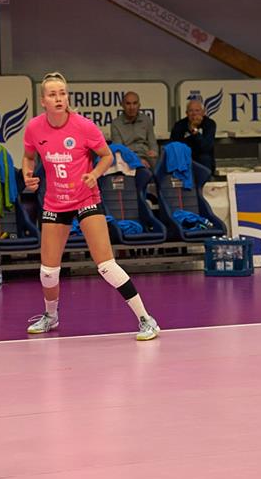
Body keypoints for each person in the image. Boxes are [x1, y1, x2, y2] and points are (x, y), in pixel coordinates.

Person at [21, 71, 159, 342]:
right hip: (55, 202)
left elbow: (107, 156)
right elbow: (28, 157)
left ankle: (146, 319)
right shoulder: (34, 128)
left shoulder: (83, 126)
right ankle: (51, 316)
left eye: (62, 93)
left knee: (106, 265)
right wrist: (28, 174)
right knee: (48, 271)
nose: (59, 98)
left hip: (86, 199)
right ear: (43, 101)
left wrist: (95, 174)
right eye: (52, 94)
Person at [168, 99, 216, 173]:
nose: (194, 113)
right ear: (186, 113)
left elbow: (206, 147)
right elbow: (175, 145)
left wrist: (194, 131)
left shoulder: (210, 124)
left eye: (197, 110)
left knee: (205, 158)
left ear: (203, 112)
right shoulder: (179, 125)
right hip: (184, 157)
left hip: (202, 158)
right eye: (191, 111)